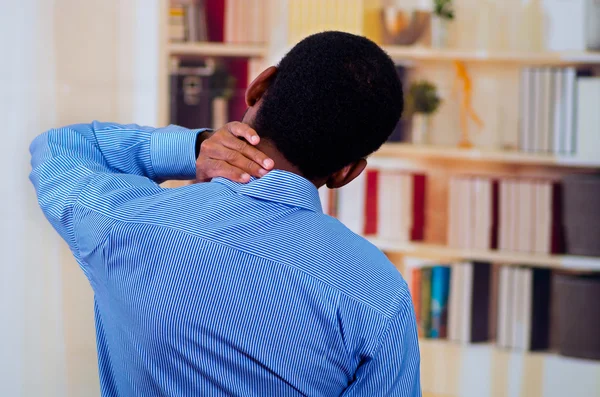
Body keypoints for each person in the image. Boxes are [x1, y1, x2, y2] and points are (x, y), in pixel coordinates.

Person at [29, 31, 420, 396]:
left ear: (259, 86)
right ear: (347, 172)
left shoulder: (126, 223)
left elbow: (60, 147)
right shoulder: (380, 295)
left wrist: (195, 147)